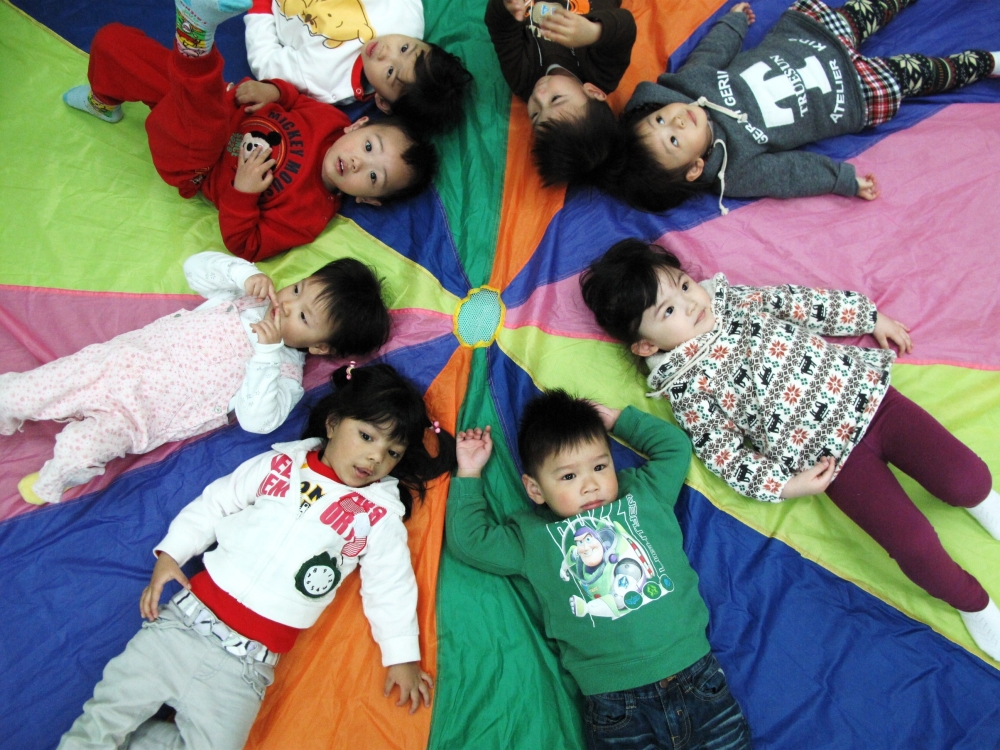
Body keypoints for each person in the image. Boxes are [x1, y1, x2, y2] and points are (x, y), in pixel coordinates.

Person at [580, 239, 1000, 660]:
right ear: (647, 346)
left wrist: (869, 317)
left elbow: (801, 303)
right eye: (668, 311)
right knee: (915, 545)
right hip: (832, 463)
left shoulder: (735, 301)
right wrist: (784, 485)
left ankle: (984, 503)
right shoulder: (687, 391)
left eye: (684, 286)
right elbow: (724, 454)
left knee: (969, 480)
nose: (690, 304)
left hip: (871, 400)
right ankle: (973, 603)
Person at [57, 363, 457, 750]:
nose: (375, 458)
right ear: (333, 424)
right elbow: (215, 503)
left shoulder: (378, 516)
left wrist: (402, 656)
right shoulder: (279, 465)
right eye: (367, 436)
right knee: (100, 723)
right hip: (179, 631)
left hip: (244, 670)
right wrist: (171, 553)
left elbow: (390, 585)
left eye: (392, 453)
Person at [447, 390, 752, 749]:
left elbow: (674, 447)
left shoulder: (642, 494)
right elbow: (471, 541)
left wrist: (617, 419)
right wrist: (469, 472)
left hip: (697, 678)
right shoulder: (534, 538)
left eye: (599, 467)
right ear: (535, 489)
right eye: (568, 476)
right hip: (616, 706)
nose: (590, 484)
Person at [0, 251, 391, 506]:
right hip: (112, 365)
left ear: (320, 347)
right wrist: (242, 273)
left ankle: (52, 481)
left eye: (303, 316)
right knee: (23, 391)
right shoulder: (249, 298)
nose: (286, 304)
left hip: (139, 416)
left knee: (79, 449)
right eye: (297, 288)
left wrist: (266, 353)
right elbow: (195, 270)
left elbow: (258, 421)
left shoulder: (284, 373)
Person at [62, 0, 439, 261]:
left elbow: (246, 245)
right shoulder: (330, 120)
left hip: (198, 162)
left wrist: (242, 193)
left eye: (373, 177)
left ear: (369, 200)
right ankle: (102, 101)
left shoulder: (309, 215)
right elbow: (293, 98)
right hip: (219, 103)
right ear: (358, 124)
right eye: (369, 147)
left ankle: (195, 33)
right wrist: (273, 91)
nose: (358, 163)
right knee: (114, 43)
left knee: (199, 108)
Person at [614, 1, 1000, 213]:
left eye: (660, 118)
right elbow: (791, 173)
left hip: (812, 37)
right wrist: (842, 179)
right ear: (695, 167)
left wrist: (733, 24)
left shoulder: (689, 85)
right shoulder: (737, 170)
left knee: (873, 6)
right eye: (674, 141)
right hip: (849, 93)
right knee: (923, 73)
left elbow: (711, 52)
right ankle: (988, 63)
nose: (677, 121)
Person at [245, 0, 472, 134]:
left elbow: (265, 60)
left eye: (390, 72)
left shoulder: (326, 82)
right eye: (404, 48)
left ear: (382, 102)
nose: (385, 52)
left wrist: (259, 6)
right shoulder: (406, 16)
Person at [485, 0, 635, 185]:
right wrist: (593, 32)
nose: (538, 95)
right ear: (593, 92)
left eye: (535, 114)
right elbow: (625, 27)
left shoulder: (522, 78)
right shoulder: (602, 74)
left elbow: (500, 30)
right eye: (556, 99)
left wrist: (507, 7)